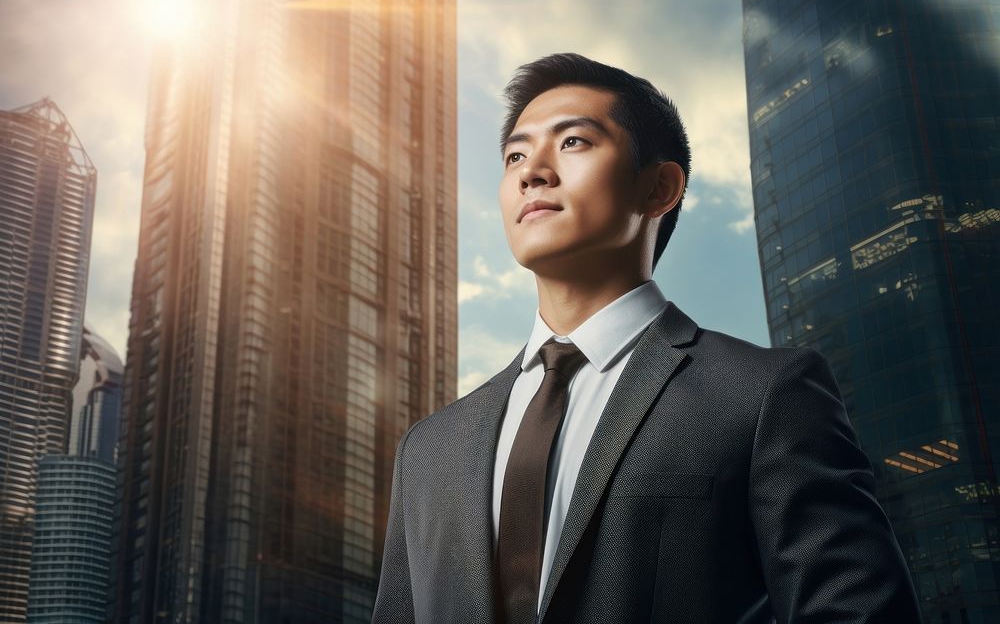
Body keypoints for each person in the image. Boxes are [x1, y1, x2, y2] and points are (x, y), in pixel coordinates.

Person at [372, 53, 920, 623]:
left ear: (660, 187)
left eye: (573, 142)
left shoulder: (763, 395)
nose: (531, 171)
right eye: (515, 154)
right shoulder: (428, 450)